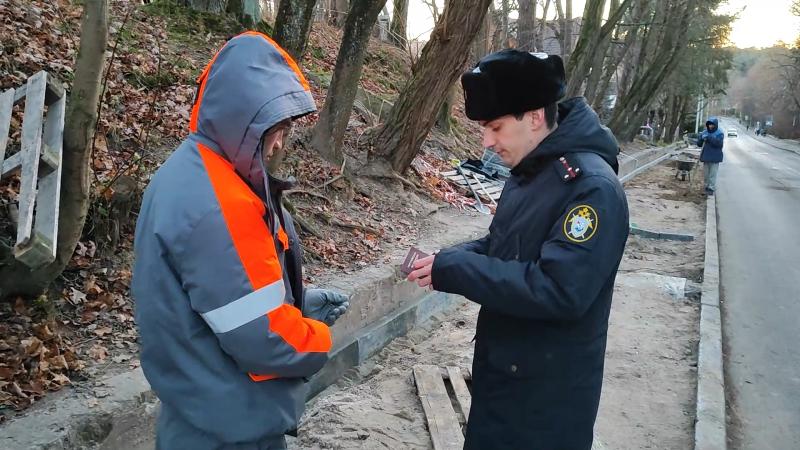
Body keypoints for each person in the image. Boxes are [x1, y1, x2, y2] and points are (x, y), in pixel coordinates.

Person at [132, 32, 349, 450]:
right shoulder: (221, 202)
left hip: (195, 412)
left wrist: (297, 301)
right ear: (247, 117)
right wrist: (318, 336)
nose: (281, 142)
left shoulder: (188, 172)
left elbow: (221, 298)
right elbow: (262, 338)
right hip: (230, 428)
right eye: (279, 127)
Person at [408, 49, 629, 450]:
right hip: (504, 380)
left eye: (495, 127)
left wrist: (457, 270)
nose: (486, 142)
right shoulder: (531, 171)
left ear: (534, 117)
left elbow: (559, 289)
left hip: (546, 404)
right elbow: (504, 244)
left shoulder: (590, 188)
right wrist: (449, 258)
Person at [697, 117, 724, 195]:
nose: (710, 126)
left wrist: (709, 138)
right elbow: (699, 144)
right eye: (709, 125)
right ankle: (706, 187)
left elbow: (719, 144)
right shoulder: (705, 132)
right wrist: (701, 138)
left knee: (712, 174)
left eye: (712, 125)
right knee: (706, 174)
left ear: (715, 125)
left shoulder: (719, 133)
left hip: (715, 157)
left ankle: (711, 188)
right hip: (706, 156)